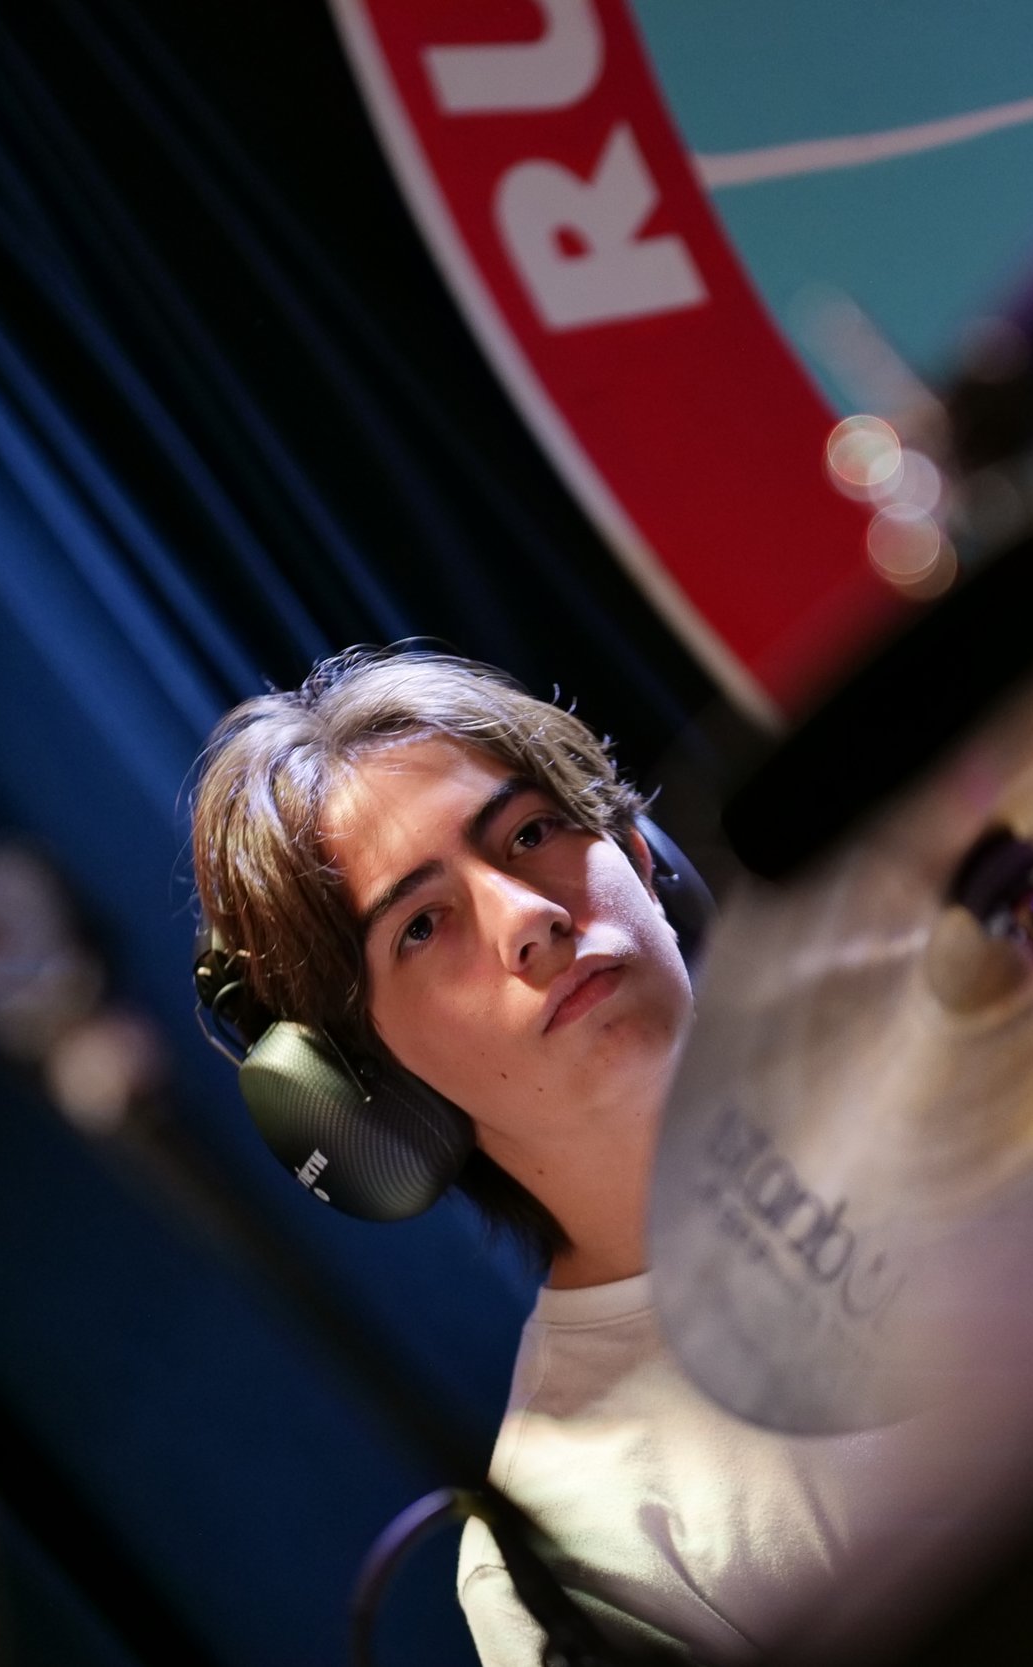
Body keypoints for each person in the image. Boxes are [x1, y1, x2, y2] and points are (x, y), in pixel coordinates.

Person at [188, 648, 896, 1664]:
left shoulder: (995, 1041)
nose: (530, 917)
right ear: (374, 1090)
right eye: (423, 925)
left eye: (531, 832)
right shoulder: (569, 1548)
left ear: (639, 854)